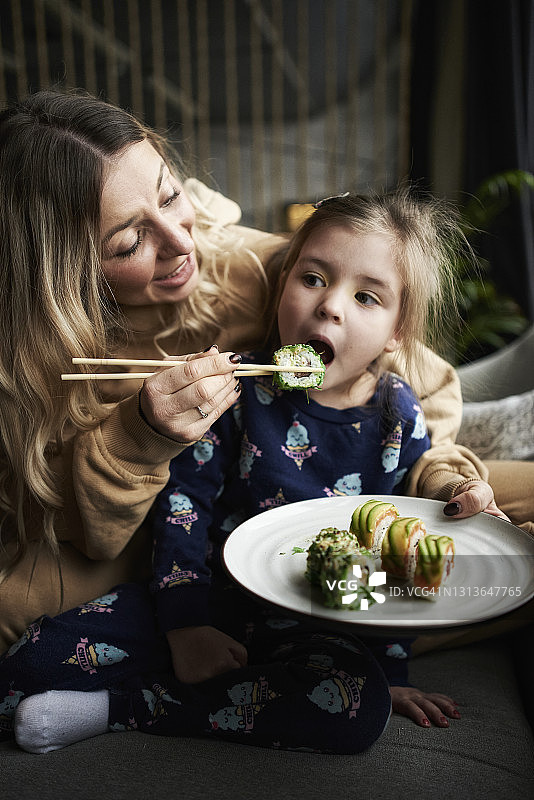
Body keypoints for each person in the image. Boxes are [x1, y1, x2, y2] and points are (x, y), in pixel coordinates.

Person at [0, 88, 530, 725]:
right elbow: (155, 514)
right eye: (129, 243)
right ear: (68, 268)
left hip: (336, 562)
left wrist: (445, 481)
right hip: (194, 564)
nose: (179, 242)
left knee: (363, 696)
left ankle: (150, 701)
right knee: (23, 655)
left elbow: (417, 439)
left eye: (171, 196)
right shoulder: (76, 365)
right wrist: (141, 435)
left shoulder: (298, 293)